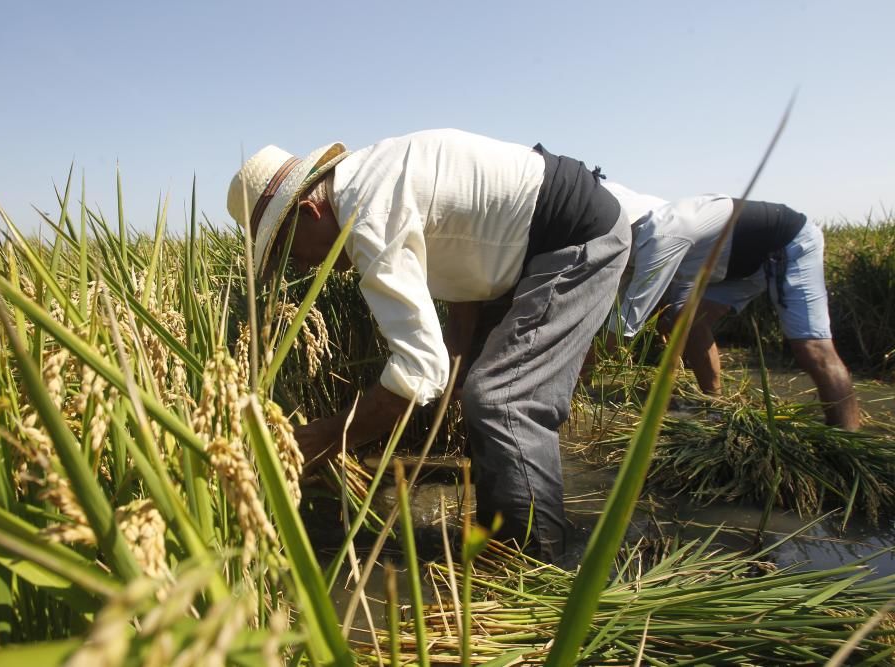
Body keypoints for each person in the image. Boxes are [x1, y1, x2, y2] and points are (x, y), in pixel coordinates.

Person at [227, 129, 631, 563]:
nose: (303, 265)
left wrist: (329, 436)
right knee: (478, 389)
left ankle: (536, 570)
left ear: (310, 210)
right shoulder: (368, 183)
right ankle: (499, 541)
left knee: (503, 400)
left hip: (573, 236)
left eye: (291, 251)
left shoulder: (368, 212)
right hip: (521, 256)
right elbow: (466, 275)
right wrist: (458, 361)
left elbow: (418, 368)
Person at [600, 182, 859, 430]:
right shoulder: (637, 239)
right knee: (687, 320)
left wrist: (574, 381)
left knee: (812, 347)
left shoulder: (660, 235)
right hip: (737, 263)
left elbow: (623, 326)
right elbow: (622, 314)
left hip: (788, 242)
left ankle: (847, 437)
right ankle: (717, 407)